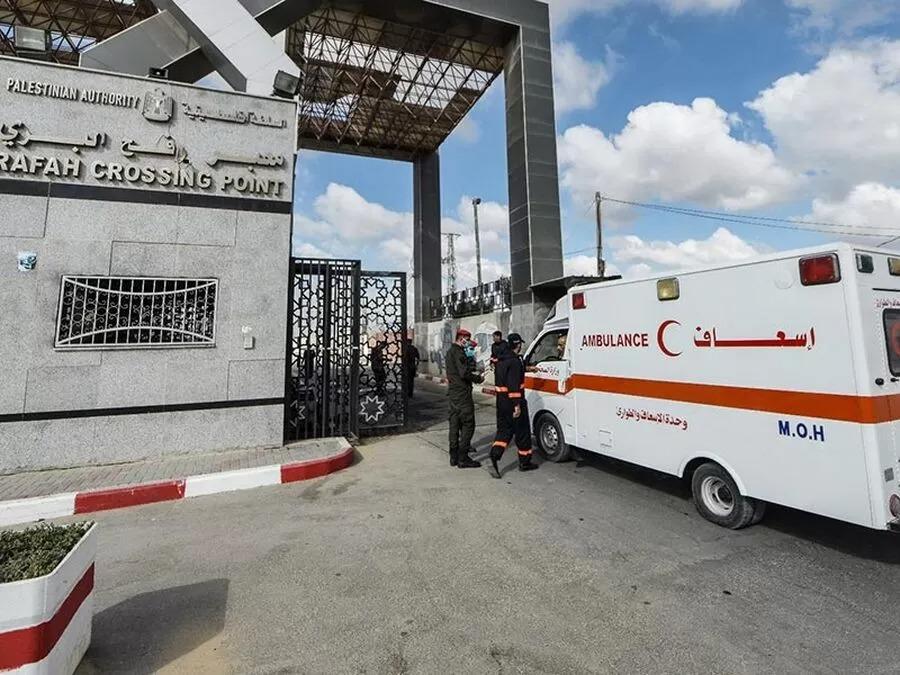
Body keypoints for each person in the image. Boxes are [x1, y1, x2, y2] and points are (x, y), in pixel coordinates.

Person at [490, 332, 539, 478]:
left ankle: (494, 455)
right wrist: (517, 405)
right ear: (518, 345)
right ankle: (525, 462)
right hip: (514, 402)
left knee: (504, 431)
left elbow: (509, 375)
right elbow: (513, 384)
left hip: (502, 403)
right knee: (522, 432)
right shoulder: (514, 361)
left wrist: (528, 369)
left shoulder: (501, 359)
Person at [446, 328, 484, 469]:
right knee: (468, 424)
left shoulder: (450, 351)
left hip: (453, 394)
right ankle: (463, 458)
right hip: (462, 394)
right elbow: (463, 373)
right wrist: (478, 378)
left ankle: (453, 456)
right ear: (461, 338)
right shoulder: (459, 352)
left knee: (454, 424)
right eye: (467, 340)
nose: (468, 342)